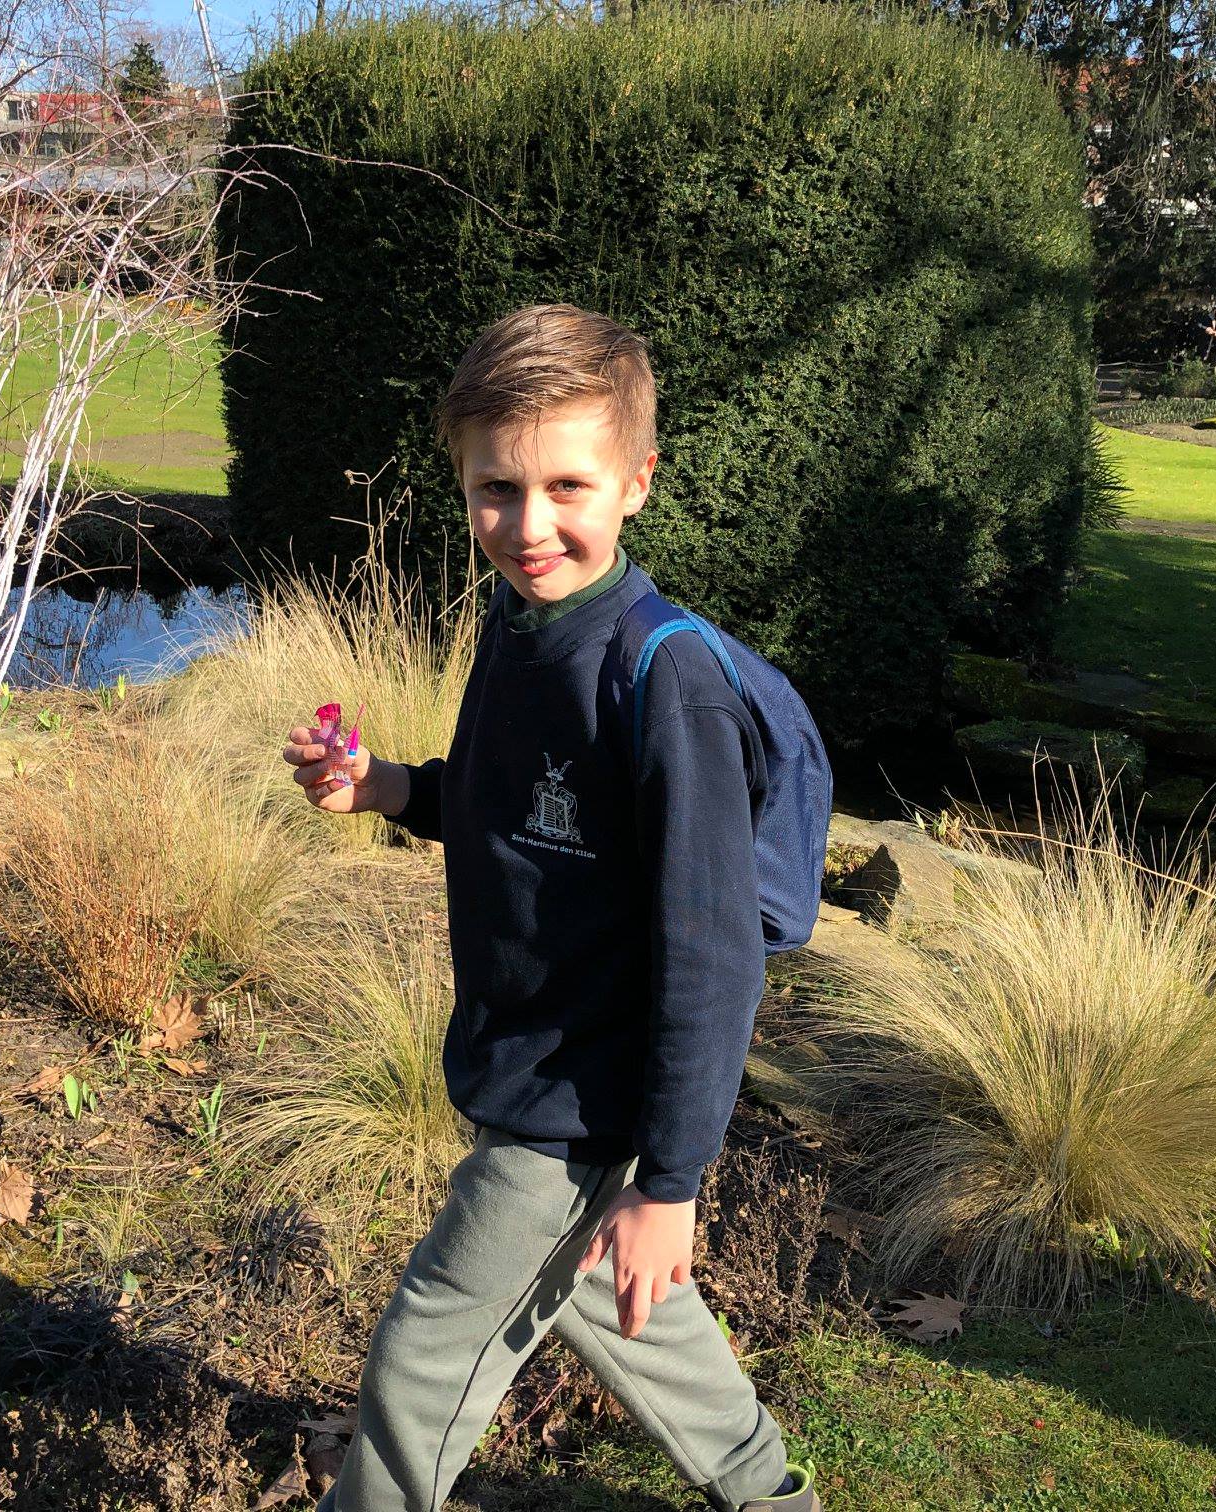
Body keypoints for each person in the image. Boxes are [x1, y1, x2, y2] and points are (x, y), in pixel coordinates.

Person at [281, 303, 820, 1512]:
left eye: (567, 486)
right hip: (533, 1058)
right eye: (495, 489)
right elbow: (500, 809)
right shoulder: (523, 630)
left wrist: (671, 1186)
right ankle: (771, 1498)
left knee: (424, 1356)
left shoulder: (664, 682)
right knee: (604, 1295)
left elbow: (715, 956)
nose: (529, 526)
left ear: (637, 481)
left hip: (585, 1094)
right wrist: (384, 789)